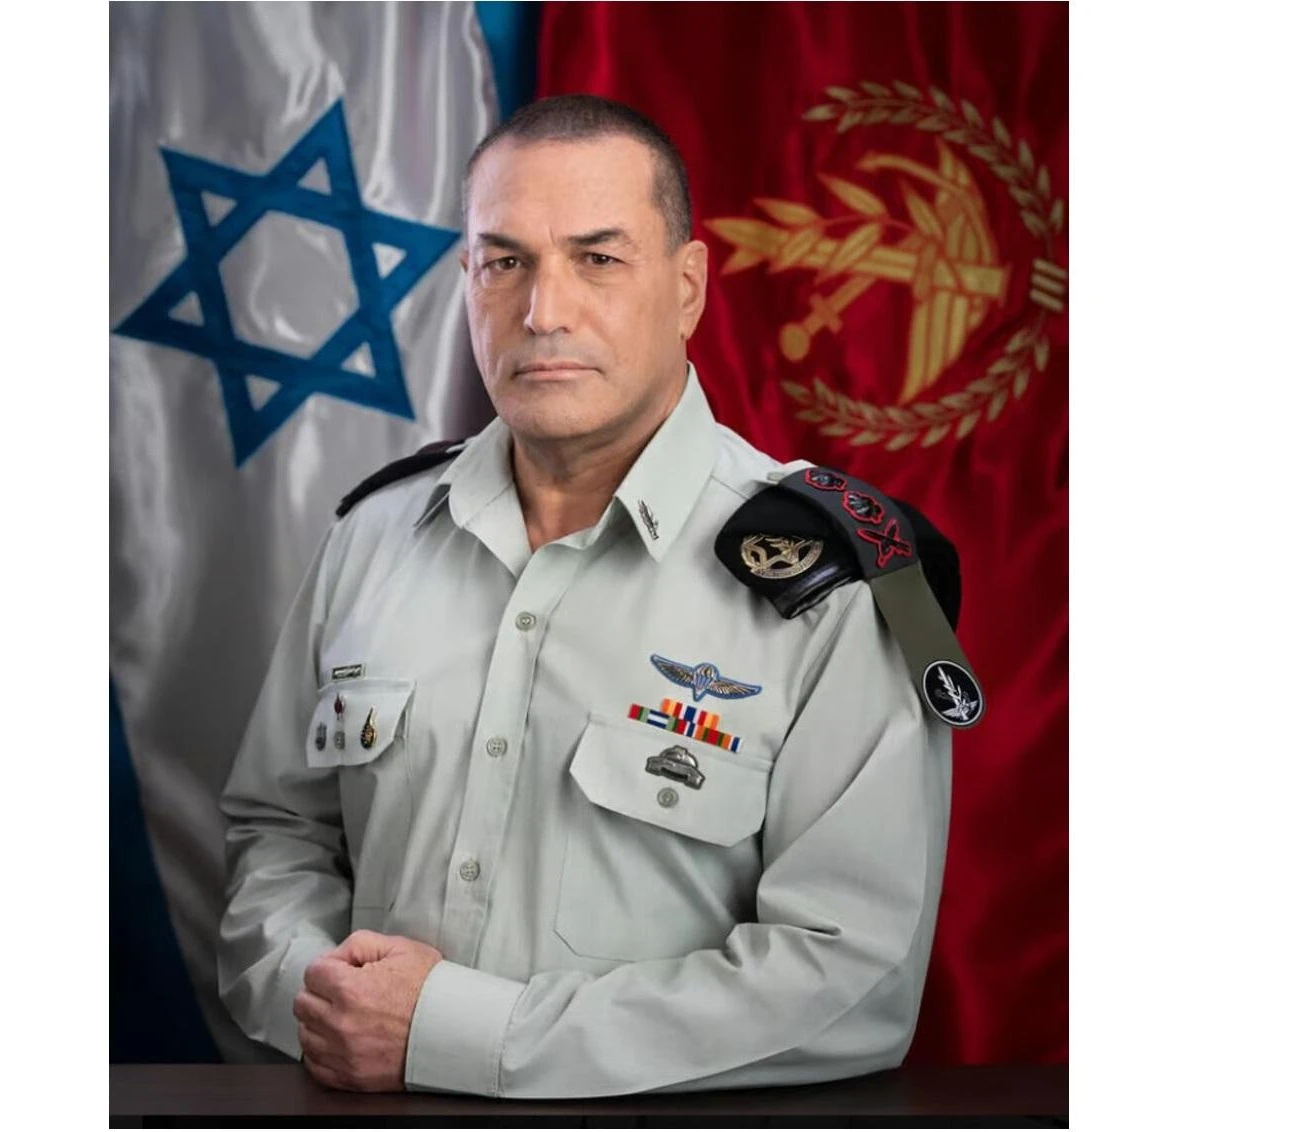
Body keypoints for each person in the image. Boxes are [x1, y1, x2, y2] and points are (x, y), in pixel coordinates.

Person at [217, 94, 961, 1098]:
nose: (543, 312)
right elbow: (276, 832)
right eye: (503, 262)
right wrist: (318, 1000)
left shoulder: (834, 583)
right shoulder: (372, 536)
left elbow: (849, 978)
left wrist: (450, 1035)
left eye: (597, 258)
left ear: (687, 287)